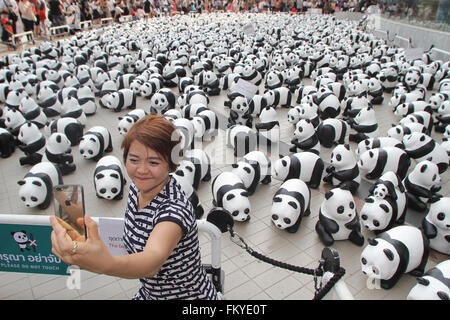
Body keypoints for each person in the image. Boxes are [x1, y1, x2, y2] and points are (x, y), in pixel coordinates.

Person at [50, 115, 220, 300]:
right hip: (150, 293)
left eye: (153, 162)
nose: (141, 170)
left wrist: (103, 263)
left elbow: (151, 262)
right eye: (134, 159)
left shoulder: (174, 209)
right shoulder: (136, 189)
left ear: (172, 164)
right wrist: (85, 247)